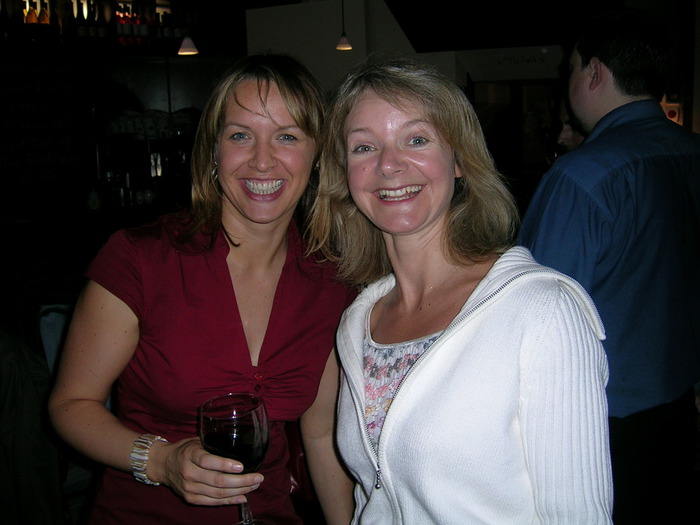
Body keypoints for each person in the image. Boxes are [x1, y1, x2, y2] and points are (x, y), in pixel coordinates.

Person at [48, 54, 356, 525]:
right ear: (213, 152)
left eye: (287, 136)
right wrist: (161, 461)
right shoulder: (141, 259)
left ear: (317, 155)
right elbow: (71, 404)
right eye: (240, 136)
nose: (262, 160)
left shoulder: (331, 283)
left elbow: (320, 436)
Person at [306, 55, 613, 524]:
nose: (389, 165)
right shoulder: (358, 321)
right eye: (364, 147)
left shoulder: (542, 311)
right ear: (345, 174)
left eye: (416, 139)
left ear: (460, 161)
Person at [517, 9, 700, 524]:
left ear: (594, 71)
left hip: (602, 421)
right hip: (680, 409)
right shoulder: (691, 153)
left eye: (571, 68)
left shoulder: (582, 177)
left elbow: (533, 314)